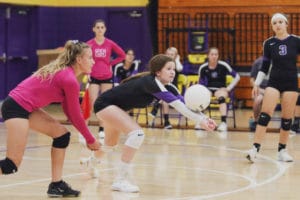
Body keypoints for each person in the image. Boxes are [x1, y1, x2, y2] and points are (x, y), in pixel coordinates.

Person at [90, 54, 216, 193]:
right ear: (158, 72)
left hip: (114, 108)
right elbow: (178, 106)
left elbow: (185, 105)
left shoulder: (170, 87)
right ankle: (120, 180)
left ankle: (91, 162)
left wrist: (204, 118)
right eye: (168, 68)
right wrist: (201, 121)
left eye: (173, 69)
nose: (172, 72)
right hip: (104, 104)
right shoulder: (151, 82)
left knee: (110, 144)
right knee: (137, 134)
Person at [0, 40, 100, 197]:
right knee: (11, 164)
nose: (93, 61)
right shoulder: (69, 79)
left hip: (27, 108)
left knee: (62, 135)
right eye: (90, 57)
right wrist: (90, 138)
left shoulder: (68, 75)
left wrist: (88, 138)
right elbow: (74, 114)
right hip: (15, 107)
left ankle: (56, 185)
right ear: (79, 60)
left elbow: (69, 110)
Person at [246, 13, 300, 163]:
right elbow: (264, 67)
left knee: (287, 119)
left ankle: (282, 150)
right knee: (265, 115)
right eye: (275, 23)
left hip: (290, 82)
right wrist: (257, 83)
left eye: (280, 22)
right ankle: (255, 149)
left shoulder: (296, 41)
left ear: (286, 24)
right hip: (274, 81)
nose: (278, 25)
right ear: (272, 26)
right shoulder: (268, 43)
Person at [86, 19, 126, 141]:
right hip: (93, 76)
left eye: (102, 27)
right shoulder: (89, 44)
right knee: (93, 103)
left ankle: (102, 128)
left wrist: (111, 63)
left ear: (105, 29)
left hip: (107, 77)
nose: (100, 29)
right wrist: (87, 70)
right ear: (93, 29)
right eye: (97, 27)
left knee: (104, 104)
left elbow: (122, 55)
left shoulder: (109, 43)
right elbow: (82, 57)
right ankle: (86, 129)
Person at [197, 47, 240, 132]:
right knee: (202, 98)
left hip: (220, 89)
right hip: (208, 89)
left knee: (221, 98)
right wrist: (202, 91)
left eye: (216, 54)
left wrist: (228, 88)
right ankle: (201, 121)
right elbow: (200, 82)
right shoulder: (203, 67)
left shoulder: (223, 65)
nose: (214, 56)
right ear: (208, 56)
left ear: (218, 56)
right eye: (212, 54)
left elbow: (237, 76)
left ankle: (223, 123)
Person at [148, 47, 184, 129]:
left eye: (172, 55)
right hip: (159, 90)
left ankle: (157, 110)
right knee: (163, 96)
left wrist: (177, 59)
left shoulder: (175, 65)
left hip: (172, 91)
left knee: (165, 99)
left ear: (175, 56)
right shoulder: (161, 65)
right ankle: (166, 122)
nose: (170, 56)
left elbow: (180, 68)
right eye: (168, 54)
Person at [249, 55, 269, 131]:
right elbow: (251, 80)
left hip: (272, 89)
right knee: (258, 99)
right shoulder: (257, 62)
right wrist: (258, 88)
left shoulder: (277, 61)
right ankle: (256, 121)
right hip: (259, 89)